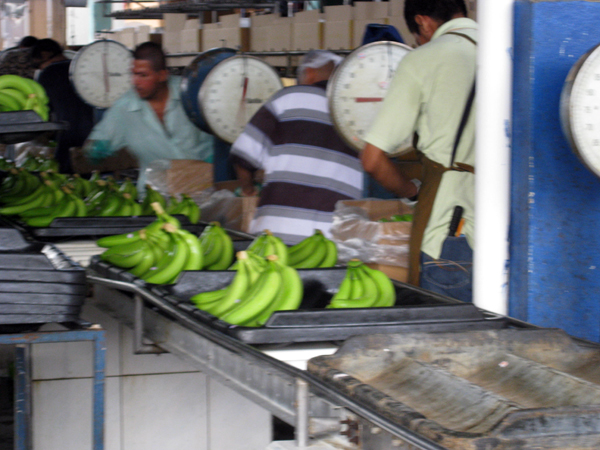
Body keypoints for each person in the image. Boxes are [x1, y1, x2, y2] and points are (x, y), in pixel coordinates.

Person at [361, 0, 476, 302]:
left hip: (451, 229)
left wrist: (410, 191)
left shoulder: (425, 59)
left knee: (446, 338)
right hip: (513, 228)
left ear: (423, 22)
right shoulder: (510, 50)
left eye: (418, 36)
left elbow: (372, 160)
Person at [229, 50, 364, 245]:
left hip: (277, 233)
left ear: (309, 73)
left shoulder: (287, 98)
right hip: (337, 240)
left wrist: (248, 189)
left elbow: (243, 156)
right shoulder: (355, 111)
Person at [85, 41, 214, 192]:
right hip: (154, 196)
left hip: (202, 189)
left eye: (143, 75)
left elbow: (217, 132)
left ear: (162, 75)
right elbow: (96, 142)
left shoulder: (191, 95)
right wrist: (95, 148)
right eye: (133, 74)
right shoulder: (124, 108)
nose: (135, 82)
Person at [34, 39, 94, 174]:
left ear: (45, 55)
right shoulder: (85, 68)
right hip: (97, 142)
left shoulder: (48, 73)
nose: (39, 70)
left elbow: (44, 111)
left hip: (68, 141)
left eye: (38, 65)